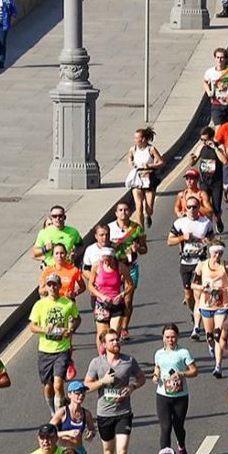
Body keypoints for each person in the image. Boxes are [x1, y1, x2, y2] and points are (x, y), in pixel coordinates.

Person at [84, 329, 146, 454]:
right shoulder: (97, 363)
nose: (115, 343)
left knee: (122, 452)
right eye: (111, 340)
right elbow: (86, 386)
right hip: (105, 413)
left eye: (116, 339)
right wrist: (102, 382)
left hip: (124, 412)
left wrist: (132, 387)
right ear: (103, 345)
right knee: (108, 452)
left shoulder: (128, 361)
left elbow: (141, 378)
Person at [29, 274, 81, 416]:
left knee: (58, 384)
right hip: (45, 350)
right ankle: (53, 411)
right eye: (49, 285)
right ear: (46, 287)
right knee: (48, 386)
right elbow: (32, 326)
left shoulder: (68, 303)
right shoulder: (39, 305)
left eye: (55, 284)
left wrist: (71, 330)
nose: (52, 287)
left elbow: (77, 319)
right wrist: (44, 329)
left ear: (59, 286)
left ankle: (60, 414)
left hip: (61, 349)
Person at [168, 200, 214, 340]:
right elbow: (170, 241)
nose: (192, 209)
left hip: (200, 263)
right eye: (189, 207)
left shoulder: (206, 222)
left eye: (195, 207)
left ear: (199, 207)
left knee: (198, 294)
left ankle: (197, 327)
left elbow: (212, 240)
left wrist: (208, 242)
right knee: (189, 296)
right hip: (185, 262)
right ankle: (194, 313)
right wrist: (183, 237)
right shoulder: (179, 223)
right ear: (185, 208)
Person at [153, 324, 198, 454]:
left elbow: (194, 371)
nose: (170, 340)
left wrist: (182, 374)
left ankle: (181, 445)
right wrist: (155, 376)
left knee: (178, 426)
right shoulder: (159, 353)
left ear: (177, 337)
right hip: (163, 395)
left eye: (173, 337)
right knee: (165, 427)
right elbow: (157, 368)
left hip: (180, 396)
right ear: (163, 338)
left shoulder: (183, 353)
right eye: (167, 337)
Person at [192, 240, 228, 377]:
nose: (218, 255)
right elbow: (193, 284)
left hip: (222, 303)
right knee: (210, 335)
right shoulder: (202, 265)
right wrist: (202, 288)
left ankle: (218, 366)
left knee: (218, 334)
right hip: (206, 303)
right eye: (216, 252)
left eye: (220, 253)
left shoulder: (226, 265)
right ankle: (210, 345)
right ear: (210, 252)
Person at [109, 200, 148, 339]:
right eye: (120, 210)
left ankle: (124, 327)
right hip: (114, 268)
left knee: (127, 300)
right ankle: (113, 326)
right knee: (113, 297)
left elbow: (145, 249)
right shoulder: (109, 228)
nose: (123, 213)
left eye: (126, 210)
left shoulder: (137, 228)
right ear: (116, 213)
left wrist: (138, 249)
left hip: (130, 266)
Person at [87, 248, 134, 353]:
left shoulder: (121, 267)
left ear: (113, 258)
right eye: (103, 259)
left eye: (108, 259)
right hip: (101, 304)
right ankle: (101, 357)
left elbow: (130, 285)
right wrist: (101, 295)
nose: (106, 262)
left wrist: (122, 294)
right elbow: (90, 286)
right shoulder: (96, 266)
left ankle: (112, 357)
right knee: (102, 335)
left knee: (113, 335)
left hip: (116, 304)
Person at [126, 127, 164, 228]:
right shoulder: (133, 149)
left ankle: (148, 215)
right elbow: (129, 158)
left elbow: (161, 162)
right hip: (137, 180)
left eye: (136, 138)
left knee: (149, 208)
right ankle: (141, 232)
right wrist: (131, 163)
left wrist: (150, 166)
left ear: (143, 139)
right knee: (138, 207)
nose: (135, 140)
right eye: (134, 138)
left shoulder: (151, 149)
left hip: (149, 179)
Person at [51, 380, 96, 454]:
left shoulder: (86, 414)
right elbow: (48, 432)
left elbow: (92, 430)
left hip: (78, 451)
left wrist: (91, 434)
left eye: (83, 392)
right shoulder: (62, 412)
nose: (81, 395)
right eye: (77, 392)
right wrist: (68, 433)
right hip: (62, 451)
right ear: (69, 395)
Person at [202, 52, 228, 128]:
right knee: (218, 127)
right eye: (217, 57)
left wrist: (226, 87)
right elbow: (204, 81)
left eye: (222, 58)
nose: (219, 60)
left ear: (226, 59)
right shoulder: (210, 71)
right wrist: (208, 92)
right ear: (215, 58)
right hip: (216, 103)